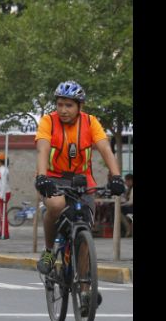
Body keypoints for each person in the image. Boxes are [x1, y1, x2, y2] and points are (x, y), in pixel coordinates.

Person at [34, 80, 125, 301]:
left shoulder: (90, 122)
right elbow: (42, 148)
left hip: (83, 182)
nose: (63, 110)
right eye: (60, 104)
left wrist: (116, 176)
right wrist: (41, 176)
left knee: (84, 227)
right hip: (54, 179)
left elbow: (105, 148)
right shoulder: (48, 121)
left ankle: (85, 289)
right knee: (55, 205)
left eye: (69, 105)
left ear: (79, 106)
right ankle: (48, 252)